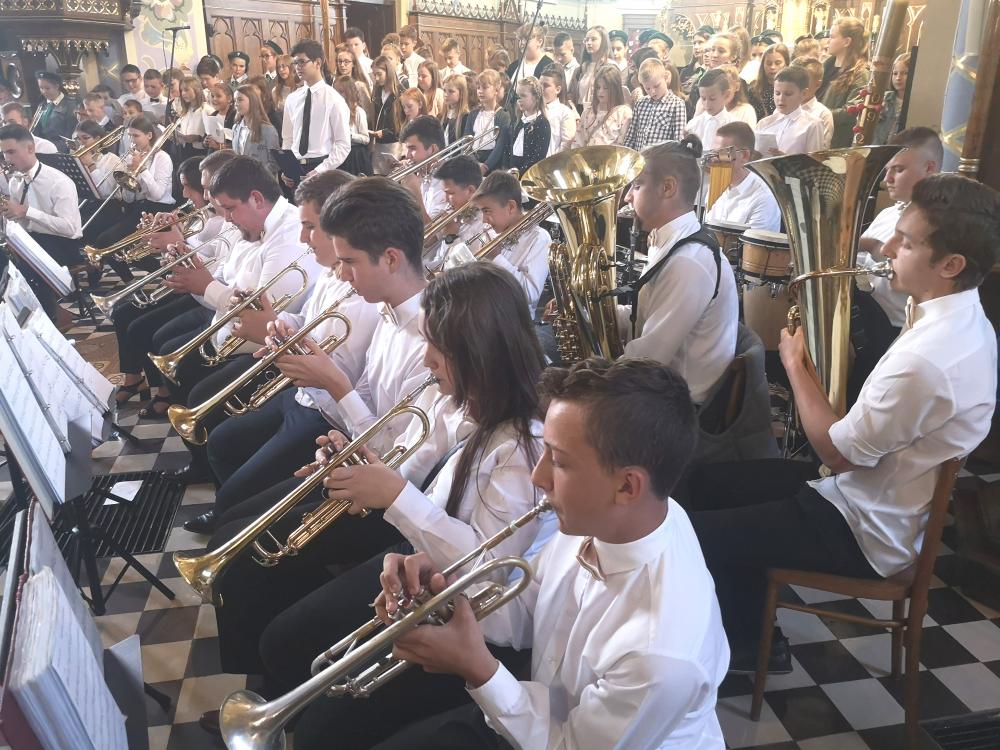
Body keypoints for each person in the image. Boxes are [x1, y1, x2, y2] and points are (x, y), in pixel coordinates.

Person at [684, 173, 999, 674]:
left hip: (863, 527)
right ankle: (748, 625)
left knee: (691, 534)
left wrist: (794, 365)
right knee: (704, 482)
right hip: (859, 495)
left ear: (950, 265)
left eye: (906, 242)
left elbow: (837, 453)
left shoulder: (931, 358)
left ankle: (745, 648)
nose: (887, 248)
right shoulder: (959, 318)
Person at [359, 356, 729, 750]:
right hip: (537, 710)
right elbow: (526, 607)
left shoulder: (660, 655)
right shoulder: (615, 518)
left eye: (560, 462)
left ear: (627, 487)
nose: (538, 477)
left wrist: (479, 670)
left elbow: (567, 745)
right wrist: (450, 590)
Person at [185, 170, 379, 532]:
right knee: (223, 442)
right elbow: (307, 319)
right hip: (301, 396)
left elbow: (344, 376)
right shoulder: (331, 272)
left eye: (310, 228)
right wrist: (278, 323)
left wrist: (276, 337)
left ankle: (233, 517)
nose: (303, 239)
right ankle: (231, 511)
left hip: (326, 416)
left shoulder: (367, 297)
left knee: (235, 496)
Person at [157, 156, 319, 432]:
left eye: (230, 208)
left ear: (256, 199)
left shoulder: (289, 235)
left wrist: (206, 286)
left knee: (202, 404)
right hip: (225, 335)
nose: (227, 218)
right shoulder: (249, 229)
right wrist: (190, 268)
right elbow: (222, 279)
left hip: (260, 354)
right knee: (178, 367)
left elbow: (260, 317)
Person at [617, 136, 738, 405]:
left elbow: (646, 361)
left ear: (668, 188)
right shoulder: (671, 242)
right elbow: (646, 313)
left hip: (676, 407)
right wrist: (588, 311)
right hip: (658, 388)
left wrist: (594, 373)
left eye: (637, 186)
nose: (627, 197)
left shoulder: (688, 262)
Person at [108, 155, 235, 408]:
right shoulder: (203, 216)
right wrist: (162, 239)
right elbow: (196, 259)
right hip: (194, 288)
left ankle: (165, 392)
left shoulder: (224, 222)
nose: (185, 194)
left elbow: (212, 270)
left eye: (191, 187)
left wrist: (177, 242)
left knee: (143, 328)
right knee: (124, 314)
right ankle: (142, 381)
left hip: (204, 295)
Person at [848, 126, 943, 404]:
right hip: (865, 313)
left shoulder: (938, 221)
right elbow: (860, 262)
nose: (887, 179)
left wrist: (867, 245)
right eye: (887, 170)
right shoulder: (889, 213)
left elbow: (909, 278)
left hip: (891, 326)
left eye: (898, 170)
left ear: (929, 168)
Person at [0, 123, 82, 318]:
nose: (6, 159)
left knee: (23, 271)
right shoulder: (15, 181)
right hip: (33, 240)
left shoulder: (59, 182)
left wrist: (27, 212)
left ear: (30, 148)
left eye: (11, 152)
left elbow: (70, 228)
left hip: (64, 244)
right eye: (3, 153)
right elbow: (20, 222)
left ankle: (48, 318)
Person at [87, 114, 174, 259]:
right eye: (129, 135)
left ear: (149, 135)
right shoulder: (132, 157)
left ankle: (157, 269)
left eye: (136, 136)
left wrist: (141, 169)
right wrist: (128, 180)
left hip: (159, 210)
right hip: (138, 208)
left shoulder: (162, 157)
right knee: (103, 239)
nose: (132, 140)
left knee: (111, 243)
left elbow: (158, 195)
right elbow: (128, 199)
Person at [471, 170, 549, 311]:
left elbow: (530, 293)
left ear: (511, 207)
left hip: (512, 320)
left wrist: (497, 258)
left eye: (487, 211)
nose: (484, 220)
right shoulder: (490, 232)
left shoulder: (539, 238)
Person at [280, 39, 351, 186]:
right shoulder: (293, 98)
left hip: (321, 166)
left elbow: (343, 144)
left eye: (302, 62)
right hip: (296, 166)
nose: (297, 67)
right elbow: (288, 138)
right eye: (295, 63)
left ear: (318, 63)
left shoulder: (333, 99)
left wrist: (320, 170)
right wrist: (287, 167)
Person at [705, 122, 781, 232]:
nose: (714, 159)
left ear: (744, 155)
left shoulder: (764, 197)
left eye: (723, 153)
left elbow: (754, 243)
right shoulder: (715, 185)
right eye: (713, 153)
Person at [424, 154, 484, 271]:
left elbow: (466, 270)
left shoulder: (483, 223)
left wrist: (450, 237)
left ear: (470, 190)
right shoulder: (448, 208)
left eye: (450, 193)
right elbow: (426, 243)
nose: (446, 199)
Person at [819, 16, 870, 147]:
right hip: (818, 133)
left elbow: (851, 112)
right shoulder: (825, 66)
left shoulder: (860, 73)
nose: (827, 41)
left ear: (847, 41)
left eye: (832, 37)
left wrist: (818, 114)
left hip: (837, 140)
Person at [755, 66, 825, 156]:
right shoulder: (764, 124)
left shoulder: (813, 125)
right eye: (777, 93)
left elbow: (815, 162)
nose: (781, 99)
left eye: (788, 94)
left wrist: (786, 160)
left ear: (803, 93)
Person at [623, 57, 687, 150]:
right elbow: (631, 136)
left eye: (656, 86)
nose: (652, 92)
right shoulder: (640, 104)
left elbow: (679, 140)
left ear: (665, 78)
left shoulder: (677, 104)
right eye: (647, 88)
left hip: (662, 157)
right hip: (639, 156)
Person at [398, 115, 450, 223]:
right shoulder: (422, 173)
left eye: (412, 149)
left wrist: (414, 193)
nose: (407, 156)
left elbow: (431, 232)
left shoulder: (448, 183)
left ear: (433, 149)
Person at [462, 69, 510, 172]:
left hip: (492, 165)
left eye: (485, 88)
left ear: (496, 90)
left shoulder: (503, 116)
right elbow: (466, 142)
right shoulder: (473, 114)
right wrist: (473, 163)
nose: (480, 91)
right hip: (473, 162)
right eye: (478, 88)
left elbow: (500, 146)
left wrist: (486, 166)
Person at [573, 65, 632, 147]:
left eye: (606, 88)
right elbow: (578, 142)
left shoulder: (623, 113)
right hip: (588, 154)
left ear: (615, 89)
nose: (600, 91)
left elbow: (625, 143)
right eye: (598, 87)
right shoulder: (587, 112)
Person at [232, 84, 280, 176]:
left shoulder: (268, 130)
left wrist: (256, 176)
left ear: (252, 101)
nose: (236, 104)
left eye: (240, 100)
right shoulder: (236, 128)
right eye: (235, 100)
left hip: (261, 181)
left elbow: (275, 163)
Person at [507, 76, 551, 173]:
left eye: (523, 95)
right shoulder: (517, 121)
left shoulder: (542, 123)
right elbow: (508, 149)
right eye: (518, 96)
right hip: (511, 173)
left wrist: (519, 174)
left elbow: (538, 157)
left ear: (535, 97)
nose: (519, 99)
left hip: (528, 174)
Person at [332, 75, 372, 176]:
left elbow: (366, 138)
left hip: (355, 156)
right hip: (339, 154)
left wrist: (349, 136)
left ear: (349, 92)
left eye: (341, 92)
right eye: (335, 92)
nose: (337, 95)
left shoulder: (358, 112)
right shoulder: (334, 112)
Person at [685, 69, 734, 149]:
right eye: (703, 98)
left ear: (726, 95)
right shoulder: (694, 124)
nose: (707, 104)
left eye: (712, 98)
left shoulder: (734, 126)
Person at [792, 57, 834, 149]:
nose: (798, 85)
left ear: (818, 84)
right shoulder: (783, 107)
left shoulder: (823, 114)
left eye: (804, 81)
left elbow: (821, 151)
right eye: (793, 80)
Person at [370, 54, 402, 174]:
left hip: (393, 144)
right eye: (374, 74)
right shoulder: (377, 91)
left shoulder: (399, 92)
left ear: (388, 72)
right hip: (379, 144)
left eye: (379, 74)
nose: (377, 78)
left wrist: (385, 132)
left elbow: (401, 122)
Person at [33, 71, 80, 151]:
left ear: (57, 86)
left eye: (47, 88)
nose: (44, 91)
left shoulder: (70, 105)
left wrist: (52, 148)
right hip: (43, 148)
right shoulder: (42, 105)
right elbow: (37, 131)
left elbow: (70, 134)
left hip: (61, 149)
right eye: (41, 88)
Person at [569, 25, 610, 112]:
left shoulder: (609, 66)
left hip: (600, 110)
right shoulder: (581, 68)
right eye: (587, 40)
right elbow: (571, 95)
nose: (589, 43)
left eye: (593, 39)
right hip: (580, 110)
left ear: (603, 41)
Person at [539, 65, 577, 156]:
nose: (541, 89)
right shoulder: (533, 109)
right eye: (539, 85)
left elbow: (566, 145)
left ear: (558, 89)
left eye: (546, 85)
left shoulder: (565, 113)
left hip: (552, 161)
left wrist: (551, 161)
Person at [873, 52, 910, 145]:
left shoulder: (915, 104)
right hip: (878, 149)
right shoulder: (883, 99)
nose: (898, 78)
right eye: (895, 73)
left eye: (905, 73)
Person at [747, 43, 789, 120]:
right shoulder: (754, 90)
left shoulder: (793, 89)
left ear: (786, 63)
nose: (772, 67)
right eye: (769, 63)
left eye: (778, 63)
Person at [506, 23, 555, 88]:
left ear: (540, 42)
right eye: (520, 39)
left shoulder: (549, 66)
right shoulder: (513, 66)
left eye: (527, 39)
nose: (522, 43)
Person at [334, 43, 373, 114]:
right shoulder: (335, 84)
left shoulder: (359, 86)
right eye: (340, 61)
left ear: (353, 64)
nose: (342, 65)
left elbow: (368, 113)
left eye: (346, 62)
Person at [203, 82, 235, 151]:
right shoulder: (212, 116)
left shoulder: (235, 117)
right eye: (212, 96)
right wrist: (206, 141)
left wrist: (218, 146)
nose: (214, 99)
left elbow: (236, 144)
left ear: (229, 98)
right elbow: (206, 138)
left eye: (218, 96)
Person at [440, 73, 469, 146]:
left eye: (451, 91)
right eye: (444, 90)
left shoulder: (466, 117)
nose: (446, 95)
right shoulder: (442, 116)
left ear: (461, 93)